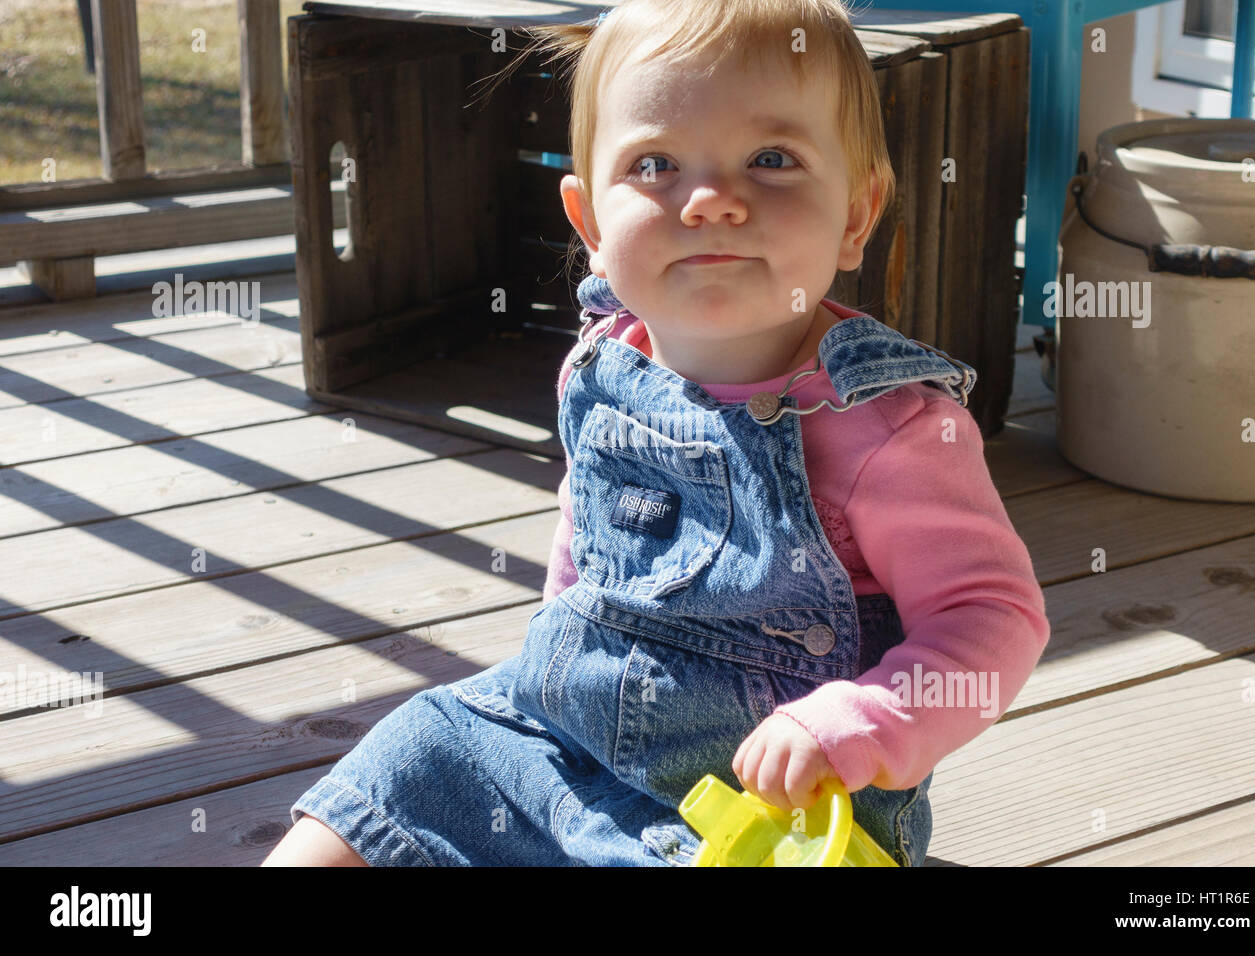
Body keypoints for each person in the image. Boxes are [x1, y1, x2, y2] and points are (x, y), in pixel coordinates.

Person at [262, 0, 1050, 867]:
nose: (712, 200)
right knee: (401, 763)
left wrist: (856, 724)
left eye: (772, 159)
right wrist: (555, 651)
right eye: (657, 164)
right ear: (591, 226)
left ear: (857, 214)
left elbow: (992, 618)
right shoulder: (604, 363)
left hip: (765, 812)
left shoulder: (888, 425)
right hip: (556, 737)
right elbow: (586, 542)